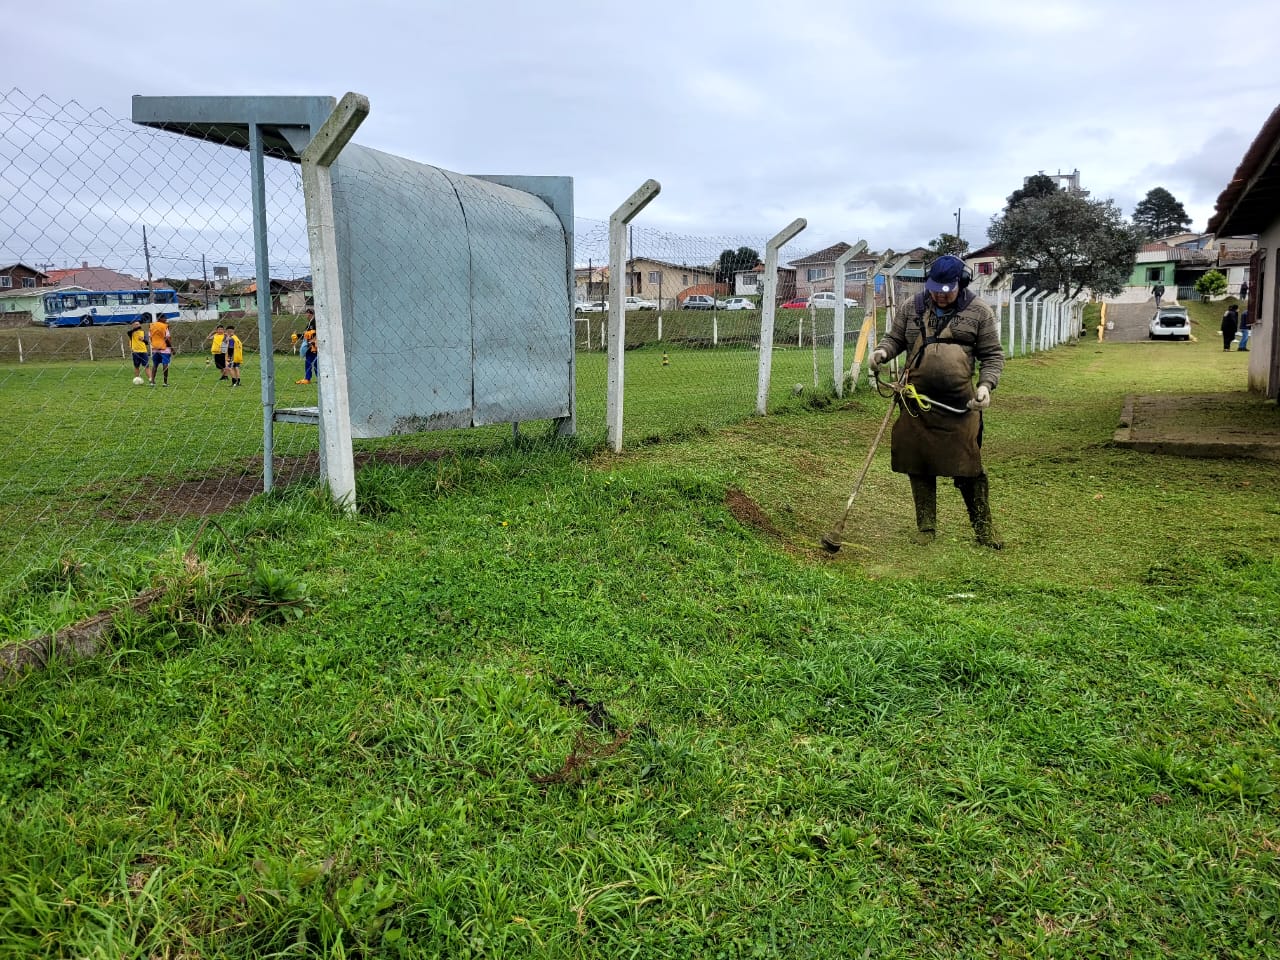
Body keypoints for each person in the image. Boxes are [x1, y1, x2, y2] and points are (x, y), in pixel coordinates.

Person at [869, 254, 1006, 548]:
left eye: (947, 291)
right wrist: (881, 353)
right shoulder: (912, 307)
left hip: (961, 406)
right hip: (916, 403)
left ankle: (983, 530)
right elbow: (895, 339)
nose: (940, 297)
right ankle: (926, 528)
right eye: (934, 290)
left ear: (962, 283)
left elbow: (992, 356)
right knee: (918, 462)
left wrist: (985, 387)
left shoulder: (979, 312)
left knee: (969, 466)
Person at [148, 314, 172, 386]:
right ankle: (165, 382)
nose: (166, 320)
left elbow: (150, 337)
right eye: (165, 318)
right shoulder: (164, 326)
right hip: (164, 348)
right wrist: (172, 348)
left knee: (155, 365)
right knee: (165, 364)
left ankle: (152, 382)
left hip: (155, 348)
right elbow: (167, 338)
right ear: (160, 318)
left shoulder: (151, 326)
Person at [297, 309, 318, 384]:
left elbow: (317, 333)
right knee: (308, 361)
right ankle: (307, 378)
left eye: (307, 313)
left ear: (310, 314)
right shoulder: (309, 323)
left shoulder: (315, 322)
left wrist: (314, 341)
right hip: (309, 345)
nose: (306, 315)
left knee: (316, 362)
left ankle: (319, 378)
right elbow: (306, 335)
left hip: (314, 345)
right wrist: (297, 336)